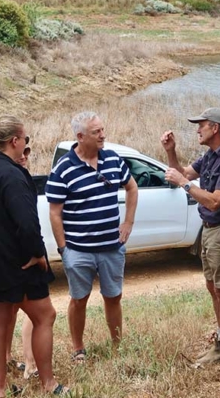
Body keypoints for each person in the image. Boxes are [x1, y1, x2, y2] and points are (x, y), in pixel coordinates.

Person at [0, 114, 69, 397]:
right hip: (17, 264)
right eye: (26, 140)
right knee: (45, 316)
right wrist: (38, 254)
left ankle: (0, 389)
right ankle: (49, 384)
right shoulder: (13, 174)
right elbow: (26, 223)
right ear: (15, 141)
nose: (27, 144)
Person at [45, 111, 138, 362]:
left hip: (111, 247)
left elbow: (131, 187)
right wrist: (64, 250)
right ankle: (78, 349)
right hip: (78, 249)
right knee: (79, 299)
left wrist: (128, 222)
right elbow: (55, 212)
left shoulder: (113, 159)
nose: (103, 135)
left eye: (102, 130)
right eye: (96, 132)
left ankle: (117, 346)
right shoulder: (63, 169)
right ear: (80, 136)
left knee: (113, 297)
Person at [160, 107, 220, 364]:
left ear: (215, 128)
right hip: (210, 231)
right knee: (213, 287)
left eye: (201, 125)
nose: (197, 129)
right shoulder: (211, 155)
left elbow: (214, 202)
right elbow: (184, 172)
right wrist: (170, 151)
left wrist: (184, 184)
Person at [5, 145, 39, 380]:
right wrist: (37, 252)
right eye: (22, 151)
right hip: (21, 255)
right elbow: (26, 224)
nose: (25, 156)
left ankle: (7, 360)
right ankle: (31, 365)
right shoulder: (14, 180)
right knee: (39, 312)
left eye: (29, 152)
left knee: (9, 311)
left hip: (6, 256)